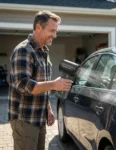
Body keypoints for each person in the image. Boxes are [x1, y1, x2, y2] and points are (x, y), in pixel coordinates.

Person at [8, 10, 72, 150]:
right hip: (25, 119)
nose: (55, 35)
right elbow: (24, 85)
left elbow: (42, 83)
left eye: (56, 31)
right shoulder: (24, 50)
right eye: (52, 31)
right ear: (38, 27)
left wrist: (48, 109)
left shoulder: (43, 51)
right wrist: (55, 84)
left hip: (39, 117)